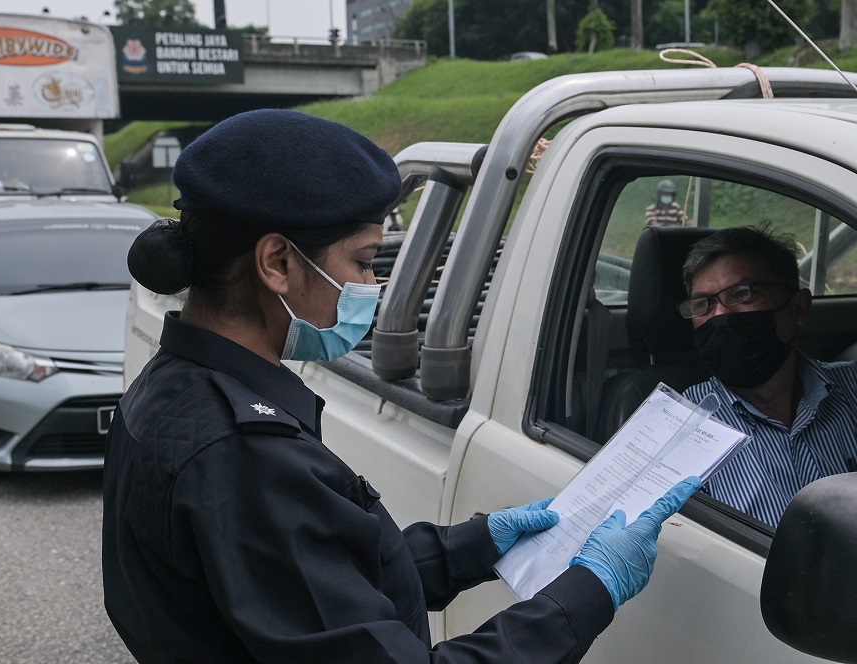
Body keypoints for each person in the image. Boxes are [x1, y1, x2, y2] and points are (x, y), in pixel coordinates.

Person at [102, 108, 701, 664]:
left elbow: (304, 581)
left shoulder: (174, 386)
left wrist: (471, 547)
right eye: (363, 262)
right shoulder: (243, 458)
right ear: (278, 263)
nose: (374, 285)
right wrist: (588, 593)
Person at [680, 225, 857, 526]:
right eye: (704, 304)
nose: (721, 315)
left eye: (742, 293)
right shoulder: (680, 426)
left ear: (798, 308)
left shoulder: (852, 389)